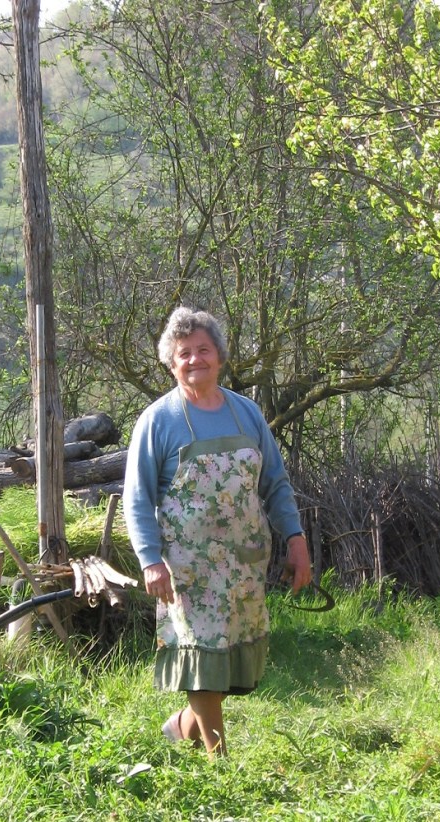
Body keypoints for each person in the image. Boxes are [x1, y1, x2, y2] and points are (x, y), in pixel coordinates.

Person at [123, 307, 312, 757]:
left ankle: (181, 726)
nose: (194, 360)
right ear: (171, 362)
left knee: (230, 661)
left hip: (245, 561)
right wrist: (150, 559)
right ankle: (218, 757)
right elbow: (136, 498)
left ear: (220, 357)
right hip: (187, 569)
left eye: (203, 350)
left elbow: (275, 484)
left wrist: (296, 540)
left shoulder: (245, 414)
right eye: (183, 353)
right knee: (202, 658)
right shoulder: (158, 421)